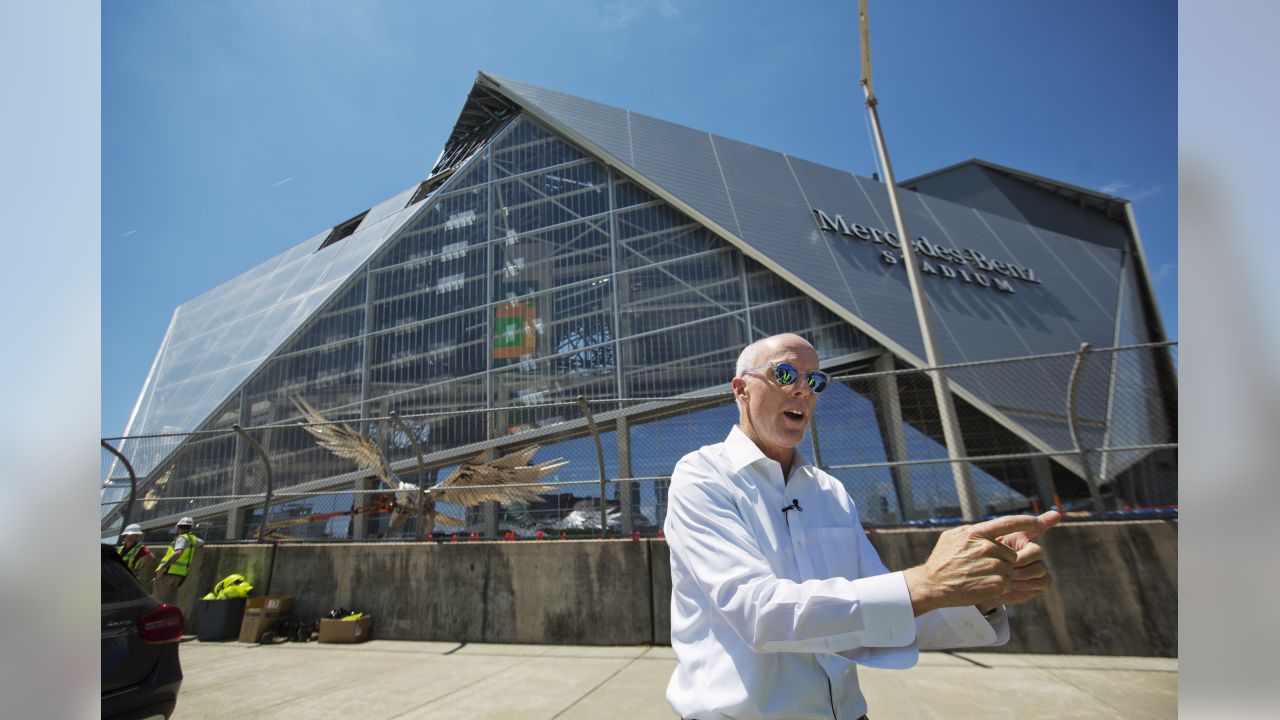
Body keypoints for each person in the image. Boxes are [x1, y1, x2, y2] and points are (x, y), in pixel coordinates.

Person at [664, 333, 1060, 720]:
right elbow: (758, 613)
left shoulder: (830, 491)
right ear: (742, 390)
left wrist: (980, 592)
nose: (803, 390)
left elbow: (888, 609)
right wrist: (927, 582)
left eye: (815, 381)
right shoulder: (703, 477)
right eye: (785, 374)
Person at [152, 517, 204, 605]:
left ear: (178, 527)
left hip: (168, 573)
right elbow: (202, 543)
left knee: (157, 600)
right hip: (180, 575)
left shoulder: (182, 538)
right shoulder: (193, 539)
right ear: (190, 528)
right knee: (170, 601)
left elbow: (178, 553)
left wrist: (163, 568)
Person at [117, 523, 157, 594]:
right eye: (128, 535)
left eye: (134, 535)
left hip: (130, 579)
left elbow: (152, 557)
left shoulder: (141, 548)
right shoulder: (121, 549)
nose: (129, 537)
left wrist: (139, 571)